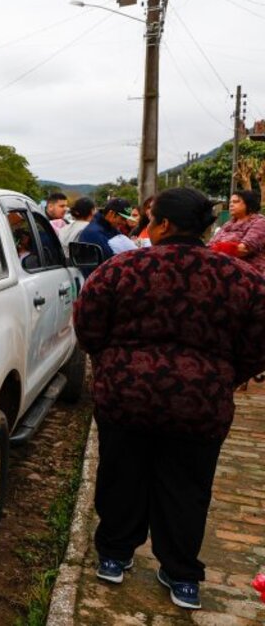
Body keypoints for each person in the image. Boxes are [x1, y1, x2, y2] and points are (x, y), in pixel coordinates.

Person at [74, 187, 265, 610]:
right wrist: (225, 376)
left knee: (121, 474)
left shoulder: (121, 268)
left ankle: (113, 556)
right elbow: (257, 342)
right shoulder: (242, 279)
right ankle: (182, 576)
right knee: (187, 487)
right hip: (200, 403)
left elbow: (87, 324)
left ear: (162, 224)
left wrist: (110, 364)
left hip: (126, 395)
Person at [207, 189, 265, 275]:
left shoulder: (260, 222)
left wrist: (217, 248)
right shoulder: (228, 224)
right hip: (223, 270)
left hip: (249, 274)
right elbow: (210, 245)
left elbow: (244, 249)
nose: (231, 204)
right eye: (230, 202)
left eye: (236, 202)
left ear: (249, 205)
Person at [77, 198, 138, 273]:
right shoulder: (93, 233)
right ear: (111, 214)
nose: (124, 223)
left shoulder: (110, 228)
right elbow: (109, 261)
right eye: (122, 219)